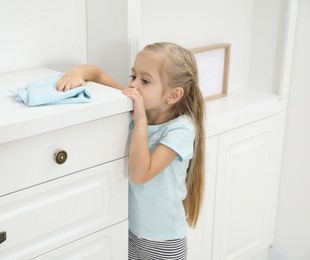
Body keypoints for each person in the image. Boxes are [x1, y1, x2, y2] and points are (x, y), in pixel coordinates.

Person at [57, 42, 205, 260]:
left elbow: (140, 174)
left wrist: (140, 121)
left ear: (173, 95)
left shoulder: (180, 129)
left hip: (163, 242)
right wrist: (75, 72)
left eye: (145, 81)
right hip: (129, 231)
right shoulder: (139, 107)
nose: (134, 85)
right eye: (132, 76)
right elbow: (96, 74)